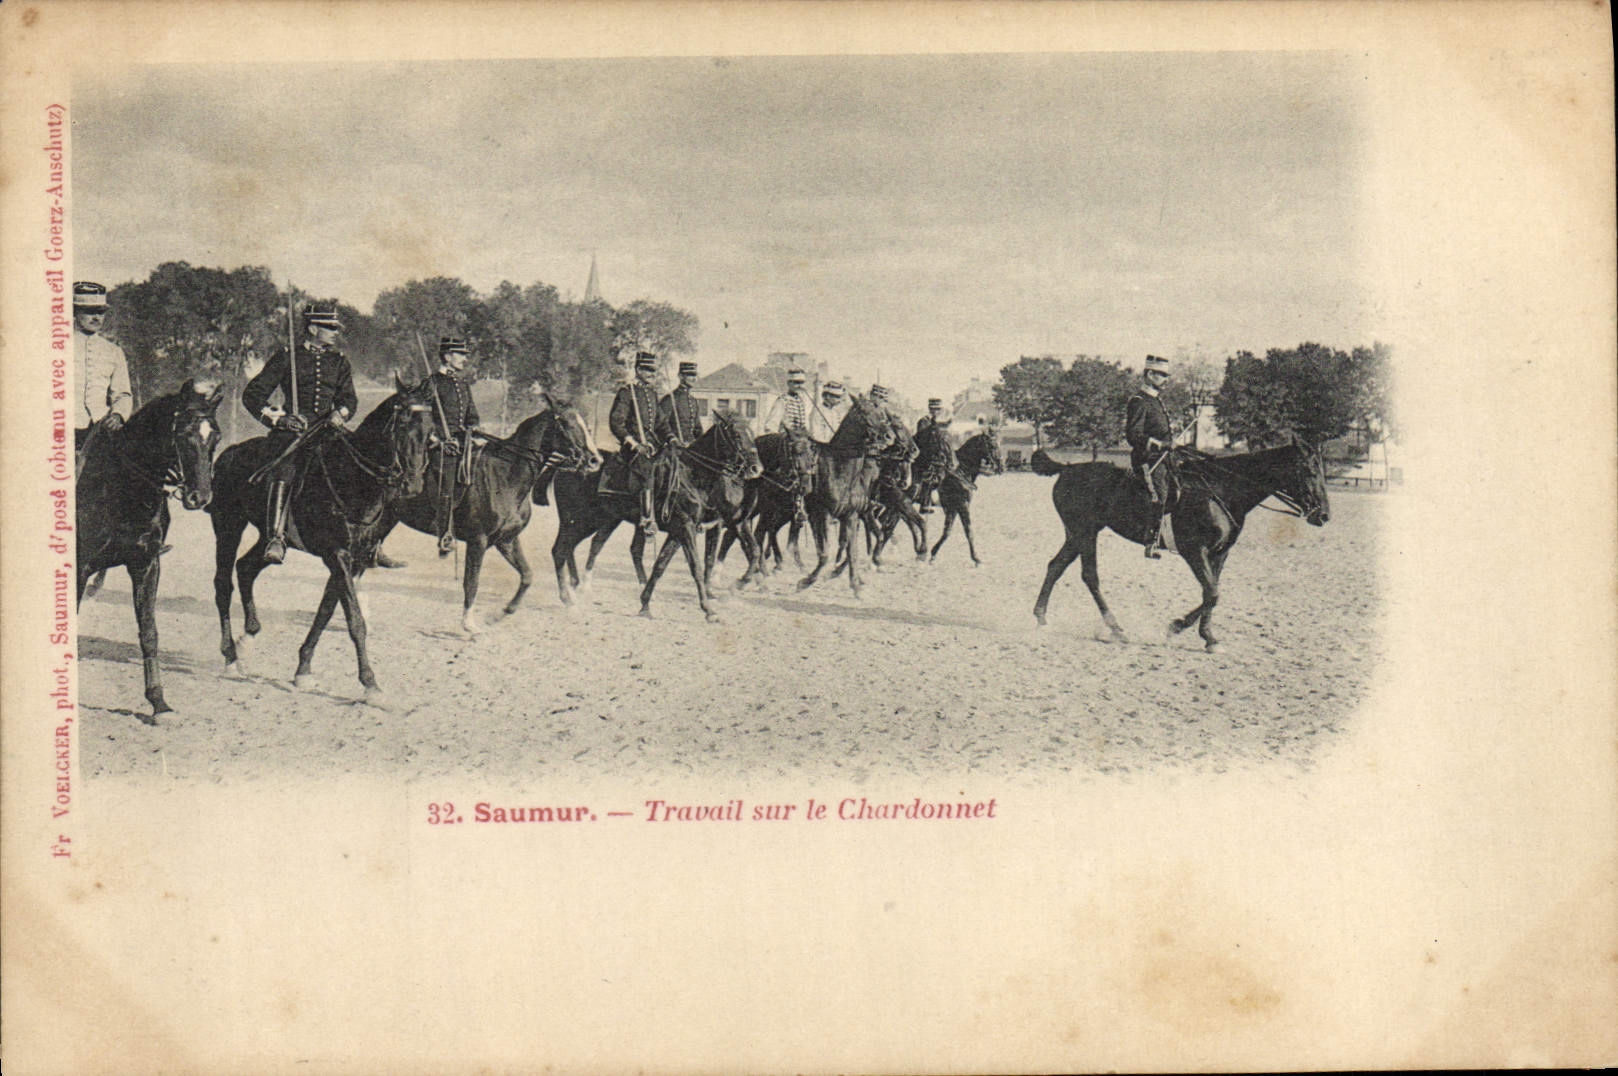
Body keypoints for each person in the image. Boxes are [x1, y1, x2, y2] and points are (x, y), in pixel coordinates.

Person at [241, 303, 359, 564]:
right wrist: (280, 419)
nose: (334, 332)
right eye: (329, 328)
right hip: (295, 432)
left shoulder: (339, 362)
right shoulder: (287, 357)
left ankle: (367, 539)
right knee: (284, 467)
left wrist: (341, 413)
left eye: (335, 328)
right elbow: (252, 395)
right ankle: (276, 536)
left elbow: (349, 397)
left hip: (329, 430)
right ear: (313, 328)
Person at [427, 336, 483, 556]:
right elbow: (424, 419)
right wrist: (439, 440)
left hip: (463, 442)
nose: (464, 360)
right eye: (460, 355)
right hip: (440, 447)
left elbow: (472, 415)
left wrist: (473, 429)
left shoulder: (462, 383)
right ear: (447, 357)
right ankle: (445, 535)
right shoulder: (432, 383)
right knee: (447, 480)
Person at [72, 281, 132, 459]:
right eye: (89, 312)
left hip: (100, 430)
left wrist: (118, 415)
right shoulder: (56, 346)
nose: (96, 318)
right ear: (75, 313)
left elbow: (123, 394)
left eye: (100, 312)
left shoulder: (113, 351)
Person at [1126, 354, 1176, 559]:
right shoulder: (1139, 401)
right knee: (1160, 495)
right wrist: (1159, 444)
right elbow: (1133, 435)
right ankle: (1151, 541)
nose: (1165, 379)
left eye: (1166, 375)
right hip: (1147, 461)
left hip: (1164, 459)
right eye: (1162, 375)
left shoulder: (1157, 402)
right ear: (1149, 374)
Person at [607, 351, 663, 536]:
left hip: (652, 445)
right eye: (647, 370)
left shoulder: (652, 394)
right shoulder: (627, 392)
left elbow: (661, 422)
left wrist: (671, 438)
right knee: (646, 470)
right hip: (633, 447)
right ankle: (647, 518)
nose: (651, 374)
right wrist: (634, 443)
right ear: (638, 370)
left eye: (653, 370)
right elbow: (616, 422)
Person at [869, 383, 918, 489]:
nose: (882, 401)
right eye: (879, 397)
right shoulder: (867, 412)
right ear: (871, 396)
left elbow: (891, 437)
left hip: (886, 457)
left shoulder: (885, 414)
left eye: (884, 399)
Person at [913, 398, 958, 513]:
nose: (936, 411)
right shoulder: (924, 421)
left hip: (937, 456)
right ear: (929, 409)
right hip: (923, 455)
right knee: (928, 474)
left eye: (938, 409)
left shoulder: (941, 423)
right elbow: (922, 441)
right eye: (934, 409)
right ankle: (924, 501)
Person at [655, 360, 704, 447]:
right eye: (690, 375)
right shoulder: (670, 399)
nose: (694, 378)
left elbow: (698, 428)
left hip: (691, 447)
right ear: (680, 376)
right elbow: (661, 424)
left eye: (695, 375)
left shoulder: (694, 401)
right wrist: (672, 439)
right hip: (673, 446)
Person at [762, 367, 813, 435]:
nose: (800, 386)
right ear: (789, 383)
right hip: (787, 439)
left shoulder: (803, 400)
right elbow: (771, 425)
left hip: (802, 438)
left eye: (802, 383)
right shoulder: (782, 401)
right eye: (796, 382)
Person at [808, 380, 849, 444]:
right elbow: (815, 435)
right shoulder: (817, 411)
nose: (839, 400)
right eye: (837, 397)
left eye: (840, 397)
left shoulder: (836, 412)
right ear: (827, 396)